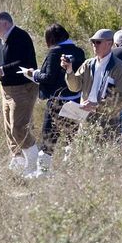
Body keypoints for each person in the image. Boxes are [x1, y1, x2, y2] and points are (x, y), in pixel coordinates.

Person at [30, 24, 84, 174]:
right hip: (75, 100)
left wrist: (33, 74)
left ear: (52, 38)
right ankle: (71, 170)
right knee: (71, 137)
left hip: (57, 102)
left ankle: (43, 172)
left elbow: (48, 77)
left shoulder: (55, 52)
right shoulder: (79, 51)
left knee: (49, 137)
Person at [0, 10, 40, 171]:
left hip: (23, 89)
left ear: (6, 23)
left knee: (18, 127)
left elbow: (25, 62)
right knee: (8, 130)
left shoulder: (20, 37)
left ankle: (35, 162)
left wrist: (2, 70)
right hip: (6, 89)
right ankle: (18, 161)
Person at [66, 29, 122, 134]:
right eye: (93, 42)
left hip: (107, 121)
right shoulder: (88, 64)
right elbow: (75, 87)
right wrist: (69, 70)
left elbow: (121, 99)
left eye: (98, 42)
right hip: (85, 119)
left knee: (105, 150)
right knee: (84, 149)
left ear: (109, 43)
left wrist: (96, 105)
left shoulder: (119, 67)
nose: (95, 45)